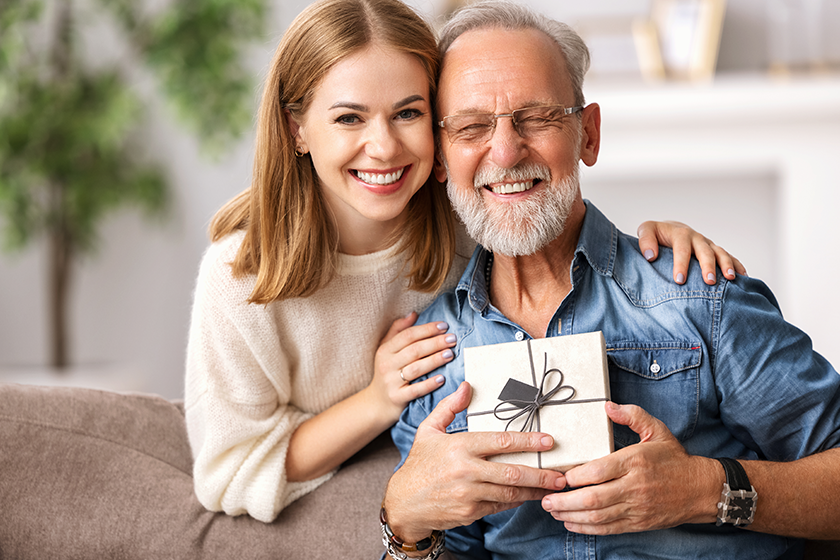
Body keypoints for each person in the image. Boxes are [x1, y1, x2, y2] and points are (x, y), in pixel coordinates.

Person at [184, 0, 743, 524]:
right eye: (349, 119)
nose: (382, 147)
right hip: (349, 496)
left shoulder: (467, 225)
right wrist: (378, 400)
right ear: (296, 129)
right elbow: (233, 468)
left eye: (407, 113)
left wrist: (655, 239)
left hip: (476, 492)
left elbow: (562, 230)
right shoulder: (241, 277)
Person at [382, 2, 840, 559]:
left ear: (589, 134)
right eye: (472, 127)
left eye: (537, 117)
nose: (504, 151)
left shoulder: (699, 293)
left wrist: (704, 490)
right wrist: (404, 521)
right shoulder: (432, 356)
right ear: (440, 158)